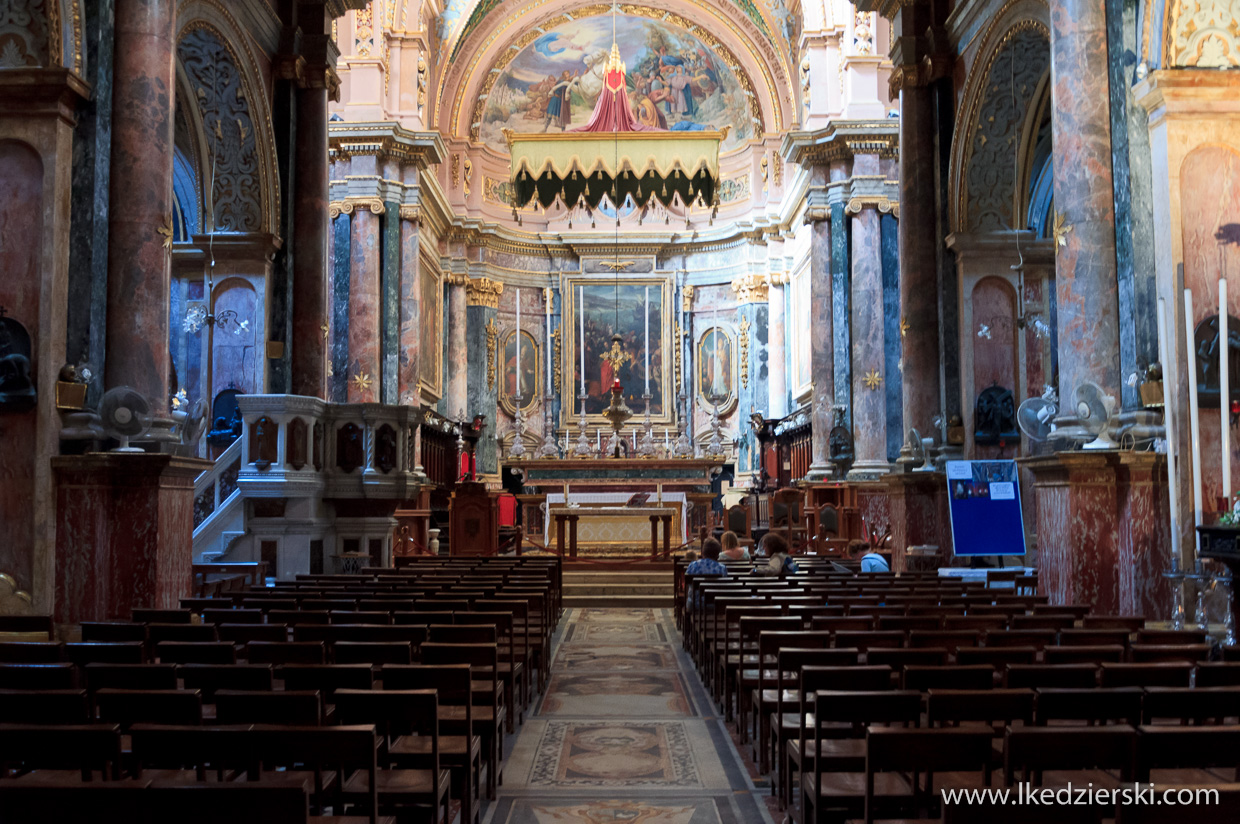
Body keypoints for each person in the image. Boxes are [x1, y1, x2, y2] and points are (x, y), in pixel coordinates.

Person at [686, 538, 727, 607]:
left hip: (695, 604)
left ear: (703, 553)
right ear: (717, 555)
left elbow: (688, 584)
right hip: (715, 604)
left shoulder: (693, 565)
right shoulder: (722, 568)